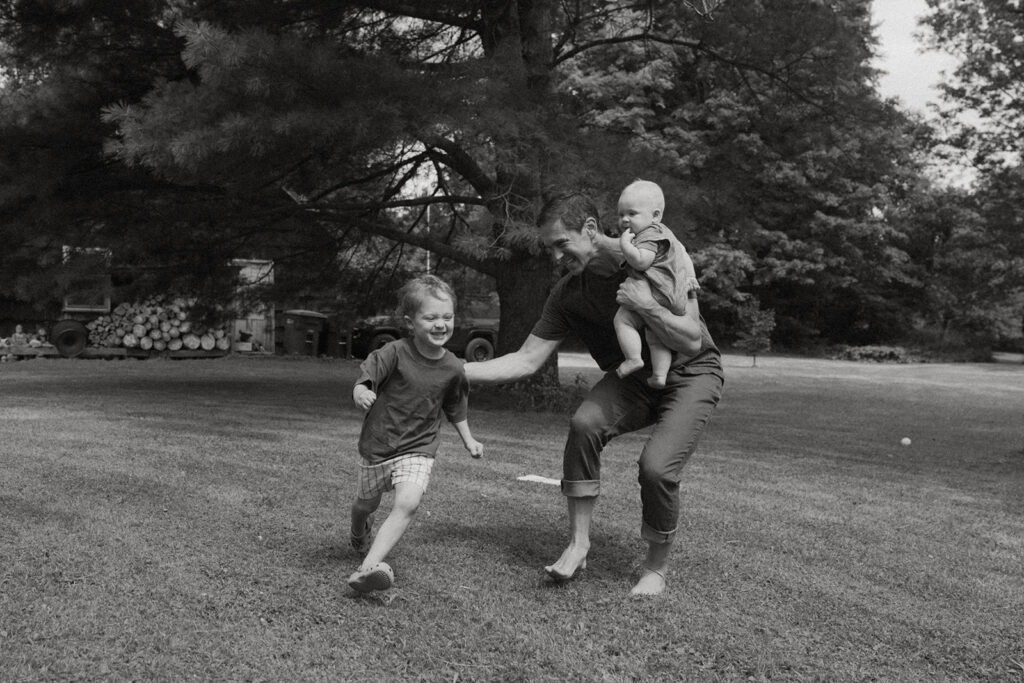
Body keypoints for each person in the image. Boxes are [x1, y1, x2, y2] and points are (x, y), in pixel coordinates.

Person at [464, 191, 723, 596]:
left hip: (692, 373)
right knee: (584, 423)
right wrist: (457, 372)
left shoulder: (655, 253)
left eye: (561, 244)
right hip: (635, 379)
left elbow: (691, 340)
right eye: (550, 248)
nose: (555, 257)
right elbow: (527, 359)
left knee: (656, 468)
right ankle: (578, 543)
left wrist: (648, 306)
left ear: (589, 229)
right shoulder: (569, 294)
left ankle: (655, 568)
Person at [346, 274, 484, 594]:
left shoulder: (453, 367)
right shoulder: (395, 352)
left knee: (408, 502)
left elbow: (455, 407)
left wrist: (469, 440)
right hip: (379, 445)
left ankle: (368, 567)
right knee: (365, 504)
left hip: (419, 447)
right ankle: (358, 529)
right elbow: (368, 374)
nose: (440, 325)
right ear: (411, 322)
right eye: (431, 317)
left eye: (447, 317)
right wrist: (361, 391)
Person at [614, 179, 701, 389]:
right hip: (672, 296)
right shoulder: (667, 234)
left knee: (622, 321)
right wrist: (690, 278)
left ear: (655, 216)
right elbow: (682, 257)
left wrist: (625, 245)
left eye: (632, 214)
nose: (625, 220)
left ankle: (633, 358)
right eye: (621, 214)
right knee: (656, 336)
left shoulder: (650, 235)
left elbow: (641, 261)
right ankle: (659, 375)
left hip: (656, 292)